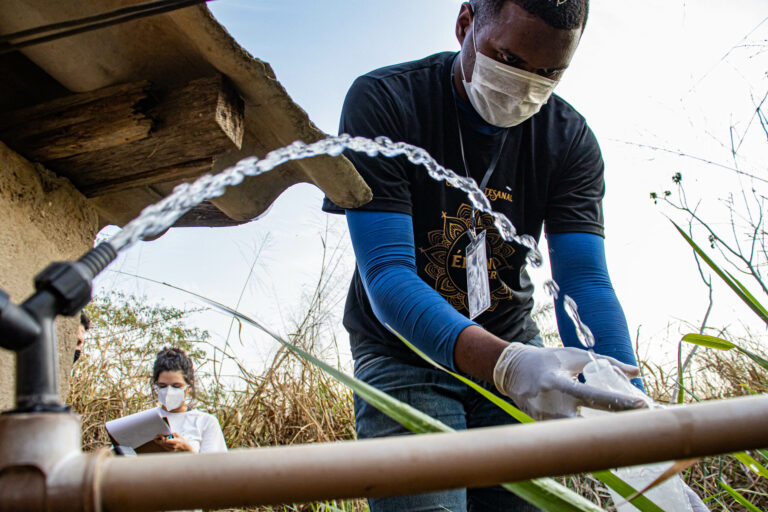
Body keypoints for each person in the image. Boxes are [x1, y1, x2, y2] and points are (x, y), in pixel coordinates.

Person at [323, 1, 707, 510]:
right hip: (405, 354)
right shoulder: (389, 100)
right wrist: (504, 364)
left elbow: (585, 283)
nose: (524, 85)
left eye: (549, 73)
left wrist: (629, 411)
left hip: (517, 349)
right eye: (507, 59)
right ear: (465, 24)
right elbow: (387, 275)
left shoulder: (568, 140)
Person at [150, 347, 227, 454]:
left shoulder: (205, 422)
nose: (168, 392)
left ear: (189, 387)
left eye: (176, 386)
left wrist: (187, 450)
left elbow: (215, 468)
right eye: (163, 386)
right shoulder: (146, 420)